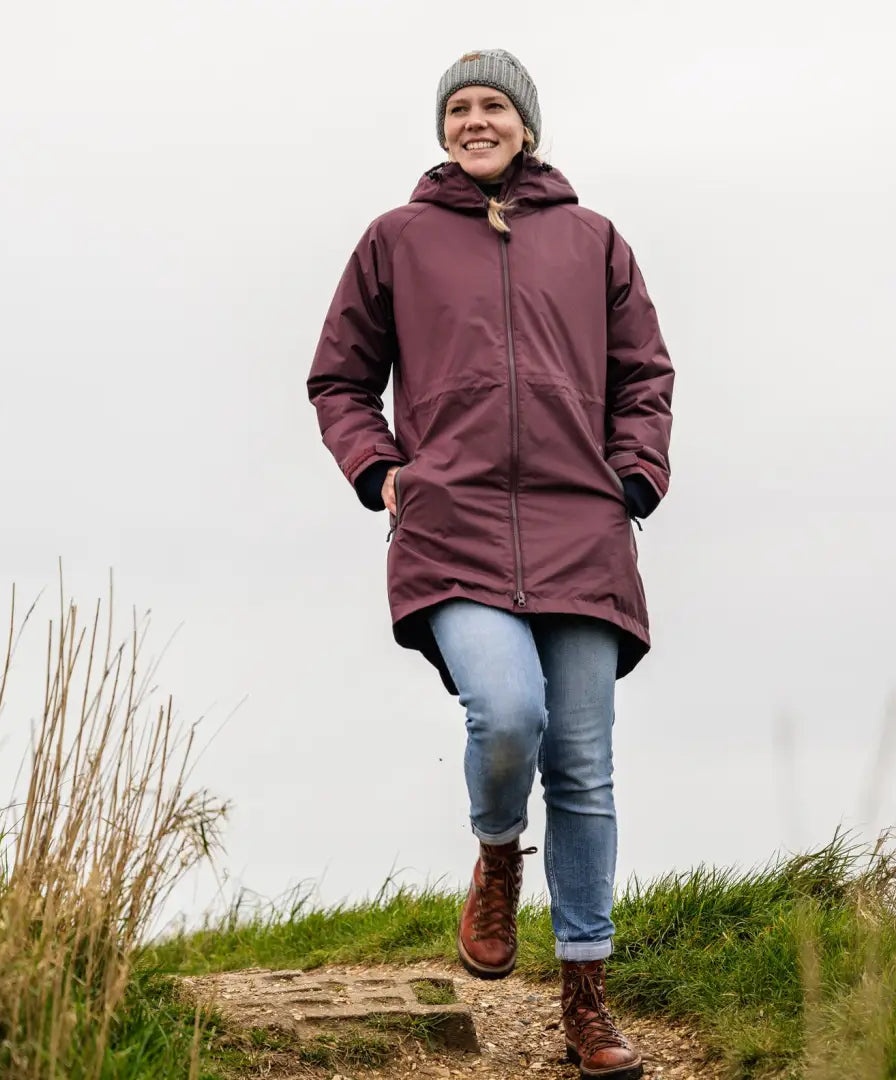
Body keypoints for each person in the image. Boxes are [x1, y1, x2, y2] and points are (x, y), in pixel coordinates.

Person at [307, 48, 673, 1080]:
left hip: (581, 530)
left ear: (527, 125)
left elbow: (646, 371)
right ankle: (498, 854)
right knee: (507, 712)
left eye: (494, 107)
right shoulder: (396, 240)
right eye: (459, 108)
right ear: (442, 127)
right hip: (452, 526)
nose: (477, 121)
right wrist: (379, 467)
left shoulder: (595, 240)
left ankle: (586, 1004)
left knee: (587, 769)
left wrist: (636, 474)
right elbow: (340, 375)